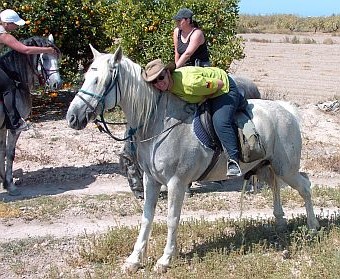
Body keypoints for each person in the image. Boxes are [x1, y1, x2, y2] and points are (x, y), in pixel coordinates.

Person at [142, 59, 248, 177]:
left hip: (223, 89)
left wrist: (204, 99)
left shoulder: (191, 84)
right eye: (154, 81)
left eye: (160, 77)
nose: (159, 83)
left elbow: (219, 84)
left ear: (167, 72)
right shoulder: (167, 86)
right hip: (203, 91)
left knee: (220, 122)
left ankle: (233, 161)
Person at [0, 9, 58, 133]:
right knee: (8, 86)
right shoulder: (3, 35)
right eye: (14, 24)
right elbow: (24, 50)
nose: (16, 26)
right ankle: (14, 121)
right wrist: (47, 50)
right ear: (6, 23)